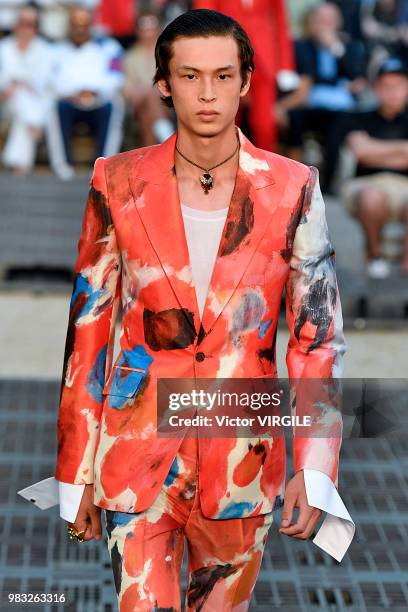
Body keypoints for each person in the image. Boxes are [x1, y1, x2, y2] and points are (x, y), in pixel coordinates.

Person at [54, 9, 353, 610]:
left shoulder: (293, 187)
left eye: (222, 75)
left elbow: (315, 340)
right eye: (190, 76)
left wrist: (316, 467)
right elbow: (87, 331)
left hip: (241, 458)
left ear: (245, 81)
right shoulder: (116, 180)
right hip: (134, 454)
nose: (208, 93)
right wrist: (73, 472)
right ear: (164, 83)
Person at [277, 2, 367, 188]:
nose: (325, 25)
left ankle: (327, 183)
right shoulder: (302, 46)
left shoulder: (349, 47)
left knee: (339, 125)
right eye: (320, 20)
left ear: (338, 22)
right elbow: (304, 76)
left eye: (329, 20)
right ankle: (294, 176)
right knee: (295, 117)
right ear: (312, 23)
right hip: (310, 102)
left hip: (339, 107)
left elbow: (356, 76)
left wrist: (335, 48)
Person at [193, 0, 295, 152]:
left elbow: (281, 24)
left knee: (265, 125)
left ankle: (264, 172)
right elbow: (203, 19)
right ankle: (220, 168)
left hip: (264, 62)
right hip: (225, 58)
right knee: (223, 120)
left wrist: (286, 65)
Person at [339, 56, 408, 278]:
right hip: (367, 184)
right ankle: (375, 257)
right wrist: (403, 150)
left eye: (398, 85)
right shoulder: (360, 117)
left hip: (404, 184)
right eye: (387, 86)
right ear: (376, 88)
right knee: (371, 198)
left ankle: (406, 265)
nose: (393, 92)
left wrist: (375, 150)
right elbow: (361, 152)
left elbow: (368, 152)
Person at [46, 6, 125, 180]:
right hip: (69, 101)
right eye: (76, 24)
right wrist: (73, 93)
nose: (80, 29)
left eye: (84, 24)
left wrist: (96, 91)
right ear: (70, 25)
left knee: (115, 105)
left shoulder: (109, 47)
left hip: (99, 100)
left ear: (91, 24)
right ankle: (63, 165)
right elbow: (52, 80)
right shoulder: (56, 50)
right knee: (54, 106)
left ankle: (104, 165)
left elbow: (116, 76)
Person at [0, 4, 53, 174]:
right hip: (6, 101)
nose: (25, 28)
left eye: (30, 24)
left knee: (22, 99)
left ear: (36, 27)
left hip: (34, 100)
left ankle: (18, 163)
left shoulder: (44, 49)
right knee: (19, 96)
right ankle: (35, 125)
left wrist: (17, 82)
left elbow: (43, 80)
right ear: (16, 24)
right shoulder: (4, 48)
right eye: (22, 22)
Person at [123, 9, 174, 146]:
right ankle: (168, 142)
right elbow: (127, 87)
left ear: (158, 29)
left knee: (148, 114)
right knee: (149, 100)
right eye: (144, 28)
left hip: (166, 101)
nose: (148, 32)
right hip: (138, 102)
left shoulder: (167, 54)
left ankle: (151, 157)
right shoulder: (130, 56)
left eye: (152, 27)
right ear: (138, 31)